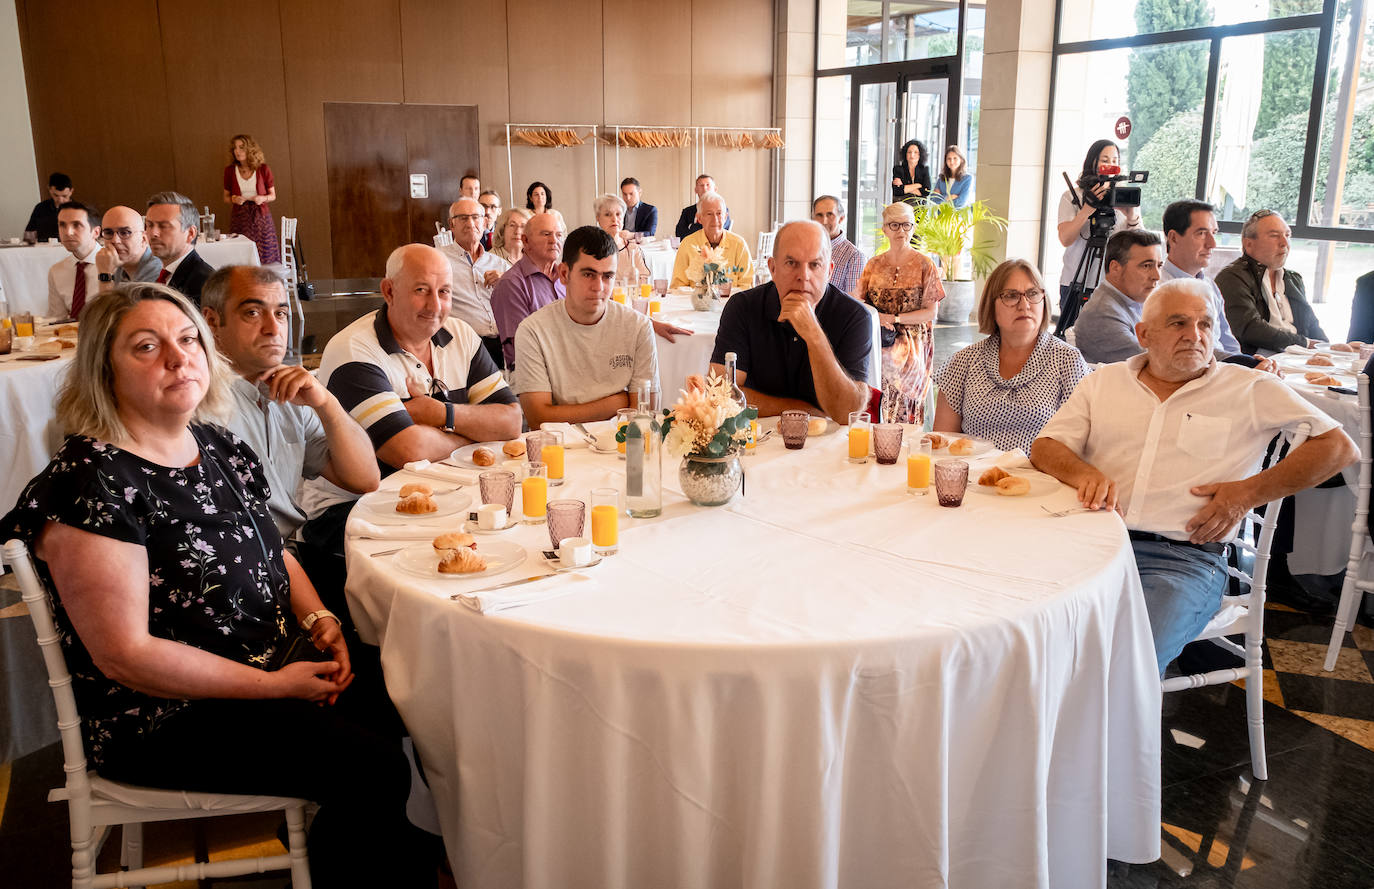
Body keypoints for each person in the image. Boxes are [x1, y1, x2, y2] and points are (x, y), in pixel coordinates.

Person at [0, 282, 439, 886]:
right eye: (146, 347)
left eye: (187, 341)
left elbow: (274, 553)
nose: (179, 359)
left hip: (275, 660)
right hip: (168, 716)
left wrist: (322, 622)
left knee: (423, 693)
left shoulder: (216, 444)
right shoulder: (89, 483)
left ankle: (399, 853)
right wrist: (274, 687)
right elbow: (126, 656)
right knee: (374, 767)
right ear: (104, 369)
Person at [1031, 280, 1357, 674]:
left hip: (1182, 561)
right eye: (1178, 323)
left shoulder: (1249, 388)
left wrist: (1247, 493)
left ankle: (1109, 733)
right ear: (1143, 334)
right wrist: (1084, 472)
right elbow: (1046, 446)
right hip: (1090, 543)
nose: (1195, 335)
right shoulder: (1105, 381)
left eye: (1205, 324)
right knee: (1019, 633)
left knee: (1125, 665)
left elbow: (1338, 448)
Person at [200, 265, 379, 616]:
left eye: (280, 313)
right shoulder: (199, 403)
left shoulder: (287, 393)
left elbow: (364, 479)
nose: (273, 328)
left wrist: (327, 404)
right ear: (211, 322)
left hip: (289, 559)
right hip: (242, 572)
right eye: (253, 312)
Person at [308, 245, 520, 492]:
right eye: (421, 290)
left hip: (446, 490)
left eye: (444, 292)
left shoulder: (461, 334)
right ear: (389, 291)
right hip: (358, 507)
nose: (435, 306)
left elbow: (512, 422)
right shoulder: (354, 350)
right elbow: (408, 450)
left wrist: (443, 414)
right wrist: (478, 434)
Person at [710, 220, 870, 421]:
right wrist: (802, 409)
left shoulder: (854, 316)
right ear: (773, 268)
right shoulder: (743, 307)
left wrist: (813, 334)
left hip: (826, 444)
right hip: (757, 442)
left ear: (829, 271)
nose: (803, 276)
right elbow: (722, 394)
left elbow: (847, 413)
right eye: (791, 263)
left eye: (815, 265)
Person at [933, 259, 1088, 453]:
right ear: (991, 305)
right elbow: (942, 445)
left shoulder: (1067, 361)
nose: (1024, 305)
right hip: (973, 477)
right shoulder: (963, 362)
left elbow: (1080, 447)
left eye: (1032, 294)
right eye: (1011, 296)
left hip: (1043, 479)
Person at [512, 226, 658, 429]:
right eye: (589, 275)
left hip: (620, 447)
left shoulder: (638, 327)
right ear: (564, 274)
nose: (599, 287)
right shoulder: (533, 331)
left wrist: (566, 413)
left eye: (607, 276)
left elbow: (643, 415)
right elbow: (538, 418)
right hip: (560, 448)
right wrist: (618, 402)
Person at [854, 202, 944, 425]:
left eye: (906, 225)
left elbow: (930, 312)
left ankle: (902, 432)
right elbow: (858, 302)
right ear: (884, 229)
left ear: (913, 228)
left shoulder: (926, 265)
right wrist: (877, 318)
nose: (900, 231)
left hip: (913, 343)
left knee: (894, 361)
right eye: (894, 225)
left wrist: (892, 319)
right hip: (879, 340)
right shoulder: (873, 265)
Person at [1217, 210, 1328, 353]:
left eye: (1287, 235)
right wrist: (1305, 343)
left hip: (1298, 359)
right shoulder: (1232, 277)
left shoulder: (1293, 279)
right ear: (1249, 244)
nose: (1284, 243)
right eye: (1274, 236)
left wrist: (1329, 349)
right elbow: (1250, 329)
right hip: (1259, 363)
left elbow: (1312, 325)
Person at [1056, 139, 1141, 311]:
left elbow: (1139, 245)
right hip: (1075, 280)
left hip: (1111, 284)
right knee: (1071, 334)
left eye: (1115, 161)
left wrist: (1132, 216)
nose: (1110, 165)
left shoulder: (1122, 197)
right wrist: (1087, 208)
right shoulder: (1073, 196)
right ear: (1092, 162)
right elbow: (1065, 239)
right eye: (1105, 160)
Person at [1160, 199, 1241, 355]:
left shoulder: (1210, 285)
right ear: (1174, 238)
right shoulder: (1157, 291)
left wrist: (1247, 366)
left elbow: (1228, 343)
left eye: (1214, 233)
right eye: (1202, 234)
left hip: (1226, 369)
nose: (1212, 244)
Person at [1073, 229, 1164, 365]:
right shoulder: (1102, 314)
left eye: (1159, 266)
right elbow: (1157, 364)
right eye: (1146, 266)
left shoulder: (1135, 300)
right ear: (1115, 268)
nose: (1157, 276)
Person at [491, 211, 566, 369]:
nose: (554, 241)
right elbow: (521, 348)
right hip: (534, 372)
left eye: (559, 235)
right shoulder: (511, 284)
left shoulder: (565, 277)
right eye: (546, 234)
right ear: (526, 241)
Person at [439, 197, 507, 369]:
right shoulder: (438, 260)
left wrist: (507, 282)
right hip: (463, 347)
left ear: (484, 222)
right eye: (463, 218)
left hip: (504, 346)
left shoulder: (499, 264)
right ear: (451, 225)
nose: (470, 223)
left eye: (476, 217)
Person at [670, 192, 753, 291]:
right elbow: (677, 287)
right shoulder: (688, 244)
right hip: (695, 304)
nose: (715, 219)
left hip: (732, 304)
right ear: (699, 218)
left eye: (719, 213)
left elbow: (747, 285)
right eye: (709, 214)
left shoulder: (739, 244)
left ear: (725, 217)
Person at [145, 191, 215, 305]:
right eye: (149, 225)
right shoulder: (164, 274)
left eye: (164, 226)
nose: (153, 233)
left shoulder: (204, 283)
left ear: (190, 233)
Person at [222, 134, 280, 264]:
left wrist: (262, 198)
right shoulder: (230, 171)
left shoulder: (263, 169)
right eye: (235, 148)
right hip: (240, 218)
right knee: (241, 256)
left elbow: (273, 195)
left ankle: (266, 283)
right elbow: (225, 197)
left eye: (241, 147)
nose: (237, 151)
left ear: (250, 149)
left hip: (261, 217)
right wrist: (234, 199)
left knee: (265, 254)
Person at [46, 201, 101, 318]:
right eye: (62, 225)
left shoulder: (115, 265)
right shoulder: (57, 271)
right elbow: (57, 319)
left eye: (76, 225)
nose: (68, 232)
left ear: (95, 232)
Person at [95, 206, 161, 292]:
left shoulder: (157, 270)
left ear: (144, 239)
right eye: (109, 233)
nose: (115, 240)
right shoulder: (117, 265)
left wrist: (105, 275)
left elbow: (110, 305)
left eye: (125, 233)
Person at [812, 194, 865, 296]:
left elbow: (852, 304)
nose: (824, 221)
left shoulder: (854, 257)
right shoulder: (805, 248)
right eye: (819, 215)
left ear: (841, 218)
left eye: (830, 214)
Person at [594, 193, 651, 282]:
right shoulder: (591, 249)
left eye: (618, 214)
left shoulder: (632, 248)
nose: (614, 219)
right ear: (598, 218)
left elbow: (644, 278)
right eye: (607, 214)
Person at [674, 174, 733, 239]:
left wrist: (693, 227)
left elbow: (717, 231)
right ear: (696, 190)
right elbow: (679, 234)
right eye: (701, 185)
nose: (705, 188)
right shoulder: (687, 211)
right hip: (691, 246)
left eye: (708, 185)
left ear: (715, 189)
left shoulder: (722, 210)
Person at [25, 172, 72, 242]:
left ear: (71, 191)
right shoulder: (40, 208)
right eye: (55, 195)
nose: (60, 200)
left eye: (64, 196)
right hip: (43, 248)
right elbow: (29, 234)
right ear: (49, 189)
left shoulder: (79, 210)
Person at [891, 140, 930, 204]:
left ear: (920, 155)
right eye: (909, 152)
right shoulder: (898, 169)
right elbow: (897, 191)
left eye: (915, 152)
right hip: (902, 207)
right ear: (905, 154)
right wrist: (918, 185)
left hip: (920, 208)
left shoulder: (924, 170)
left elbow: (926, 192)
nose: (912, 155)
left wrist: (904, 187)